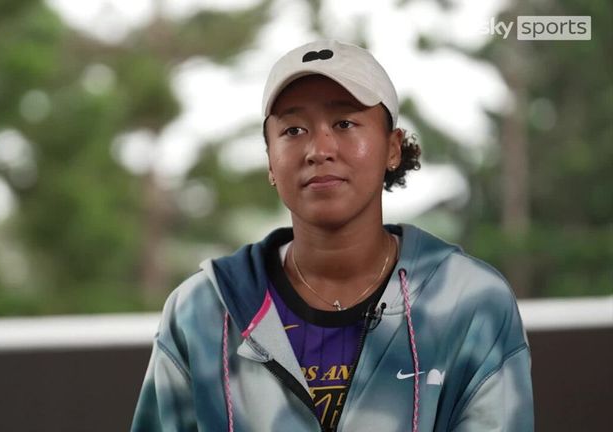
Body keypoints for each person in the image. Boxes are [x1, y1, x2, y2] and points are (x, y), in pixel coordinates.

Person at [131, 40, 533, 432]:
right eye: (293, 129)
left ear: (393, 148)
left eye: (344, 123)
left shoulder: (470, 302)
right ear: (270, 160)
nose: (318, 149)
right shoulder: (200, 312)